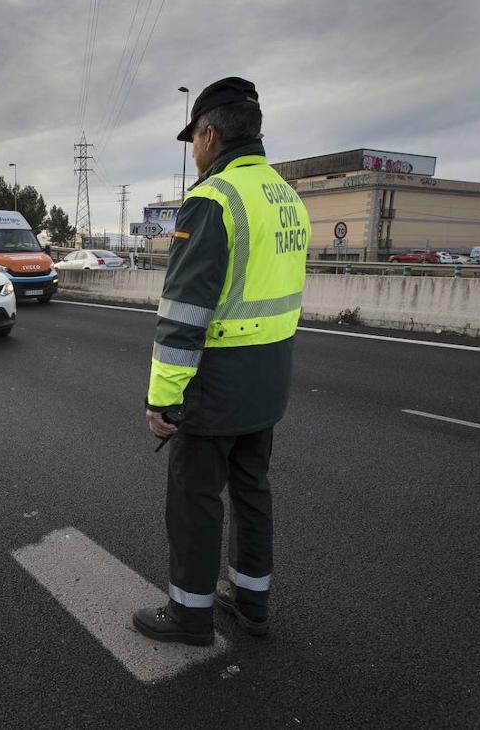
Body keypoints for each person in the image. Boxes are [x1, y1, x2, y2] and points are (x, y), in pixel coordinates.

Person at [133, 77, 310, 645]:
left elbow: (183, 315)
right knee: (252, 489)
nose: (194, 151)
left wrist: (163, 398)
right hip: (269, 379)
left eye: (194, 140)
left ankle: (190, 614)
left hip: (216, 383)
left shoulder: (213, 201)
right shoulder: (287, 198)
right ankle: (252, 604)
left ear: (209, 134)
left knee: (195, 498)